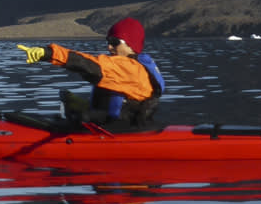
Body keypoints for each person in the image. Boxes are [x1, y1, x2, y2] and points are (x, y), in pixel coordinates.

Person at [17, 17, 164, 129]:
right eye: (108, 41)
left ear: (131, 44)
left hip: (116, 130)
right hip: (123, 125)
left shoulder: (129, 68)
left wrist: (48, 53)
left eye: (114, 42)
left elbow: (87, 64)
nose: (109, 47)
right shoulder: (136, 66)